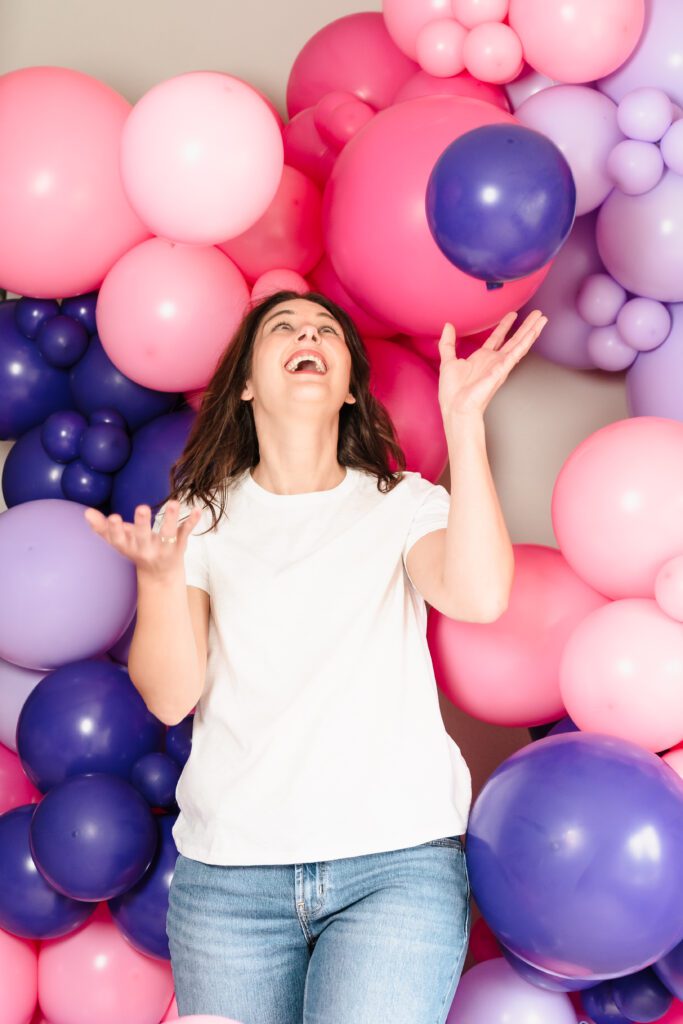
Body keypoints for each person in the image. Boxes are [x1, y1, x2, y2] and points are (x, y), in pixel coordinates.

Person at [84, 290, 547, 1024]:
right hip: (229, 887)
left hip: (394, 870)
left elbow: (480, 595)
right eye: (284, 328)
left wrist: (464, 422)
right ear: (243, 382)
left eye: (326, 331)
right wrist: (160, 578)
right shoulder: (195, 520)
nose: (309, 334)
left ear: (349, 387)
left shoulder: (402, 504)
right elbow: (170, 697)